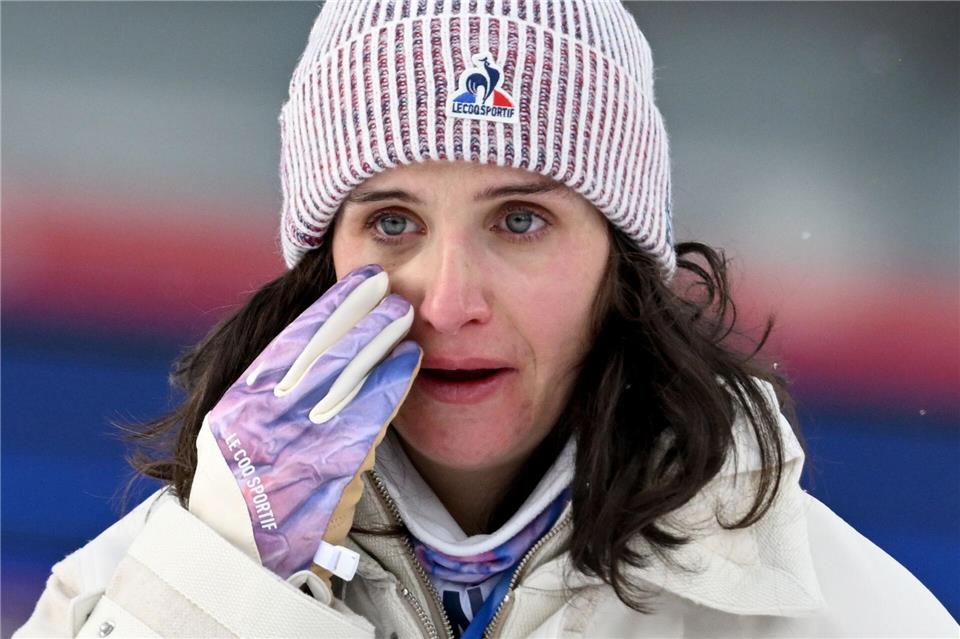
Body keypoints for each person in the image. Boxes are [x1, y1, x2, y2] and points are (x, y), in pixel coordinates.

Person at [16, 1, 957, 637]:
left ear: (622, 264)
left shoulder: (843, 616)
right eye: (393, 221)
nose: (449, 298)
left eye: (520, 220)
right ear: (320, 263)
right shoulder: (122, 598)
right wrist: (217, 589)